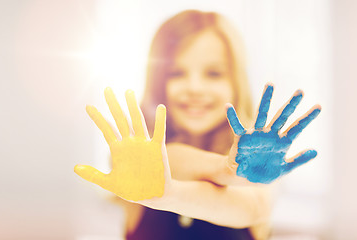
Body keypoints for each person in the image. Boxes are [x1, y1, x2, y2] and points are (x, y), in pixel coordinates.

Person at [75, 9, 321, 240]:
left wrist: (171, 194)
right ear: (159, 82)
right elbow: (176, 160)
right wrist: (227, 169)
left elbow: (253, 208)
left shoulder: (262, 161)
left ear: (236, 82)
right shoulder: (138, 160)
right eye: (176, 73)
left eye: (213, 73)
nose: (194, 88)